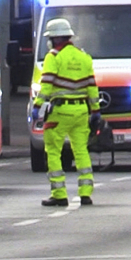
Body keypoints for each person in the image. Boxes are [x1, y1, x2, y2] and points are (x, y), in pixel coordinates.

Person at [31, 18, 100, 207]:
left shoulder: (53, 57)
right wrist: (95, 112)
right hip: (81, 111)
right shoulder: (83, 57)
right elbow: (92, 88)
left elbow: (46, 85)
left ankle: (59, 194)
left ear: (53, 39)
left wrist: (37, 107)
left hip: (59, 113)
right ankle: (86, 192)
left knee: (53, 151)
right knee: (81, 151)